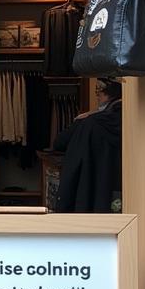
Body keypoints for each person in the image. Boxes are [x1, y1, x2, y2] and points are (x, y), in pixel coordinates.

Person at [53, 78, 122, 212]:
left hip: (89, 189)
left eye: (98, 92)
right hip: (119, 187)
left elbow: (59, 142)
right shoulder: (131, 120)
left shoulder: (89, 122)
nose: (96, 96)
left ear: (105, 94)